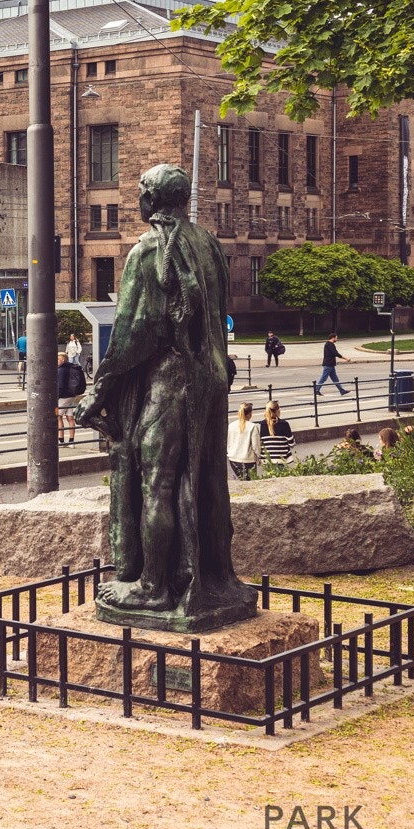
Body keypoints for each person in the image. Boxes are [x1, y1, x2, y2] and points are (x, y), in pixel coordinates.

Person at [73, 163, 258, 626]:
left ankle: (155, 587)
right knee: (207, 481)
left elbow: (135, 333)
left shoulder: (150, 249)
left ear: (151, 199)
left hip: (170, 381)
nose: (137, 198)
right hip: (209, 380)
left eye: (140, 191)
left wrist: (98, 391)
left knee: (158, 480)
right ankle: (214, 578)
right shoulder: (208, 243)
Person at [55, 352, 87, 445]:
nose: (56, 360)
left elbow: (60, 385)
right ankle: (71, 440)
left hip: (63, 396)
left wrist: (57, 396)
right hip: (72, 395)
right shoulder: (71, 367)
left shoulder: (61, 370)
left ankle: (60, 439)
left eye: (58, 359)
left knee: (58, 416)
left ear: (63, 359)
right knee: (70, 418)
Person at [227, 401, 261, 481]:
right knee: (250, 481)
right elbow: (255, 446)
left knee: (242, 480)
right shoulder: (252, 427)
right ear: (249, 414)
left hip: (233, 458)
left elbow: (228, 442)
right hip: (248, 459)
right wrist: (259, 457)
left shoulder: (231, 425)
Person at [260, 401, 294, 465]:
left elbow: (258, 444)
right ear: (277, 411)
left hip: (266, 459)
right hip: (281, 458)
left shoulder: (260, 425)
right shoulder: (284, 424)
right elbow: (291, 443)